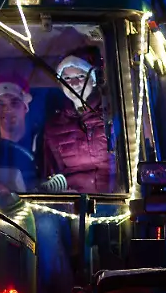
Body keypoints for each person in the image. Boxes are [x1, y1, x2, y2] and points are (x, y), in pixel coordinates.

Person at [43, 49, 115, 193]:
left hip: (115, 201)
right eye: (67, 78)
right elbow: (51, 174)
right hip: (76, 206)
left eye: (81, 76)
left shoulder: (113, 116)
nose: (74, 83)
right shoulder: (54, 128)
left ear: (94, 80)